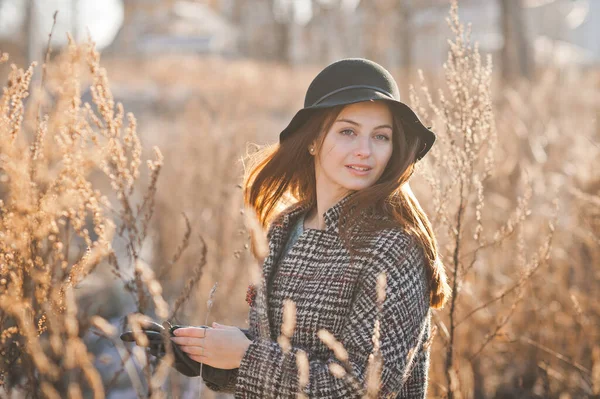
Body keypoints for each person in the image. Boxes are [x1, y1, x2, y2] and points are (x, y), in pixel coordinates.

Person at [126, 58, 450, 398]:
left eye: (381, 137)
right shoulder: (286, 227)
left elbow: (366, 388)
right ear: (312, 140)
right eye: (348, 131)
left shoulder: (393, 248)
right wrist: (206, 355)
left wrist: (245, 356)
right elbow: (287, 352)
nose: (365, 151)